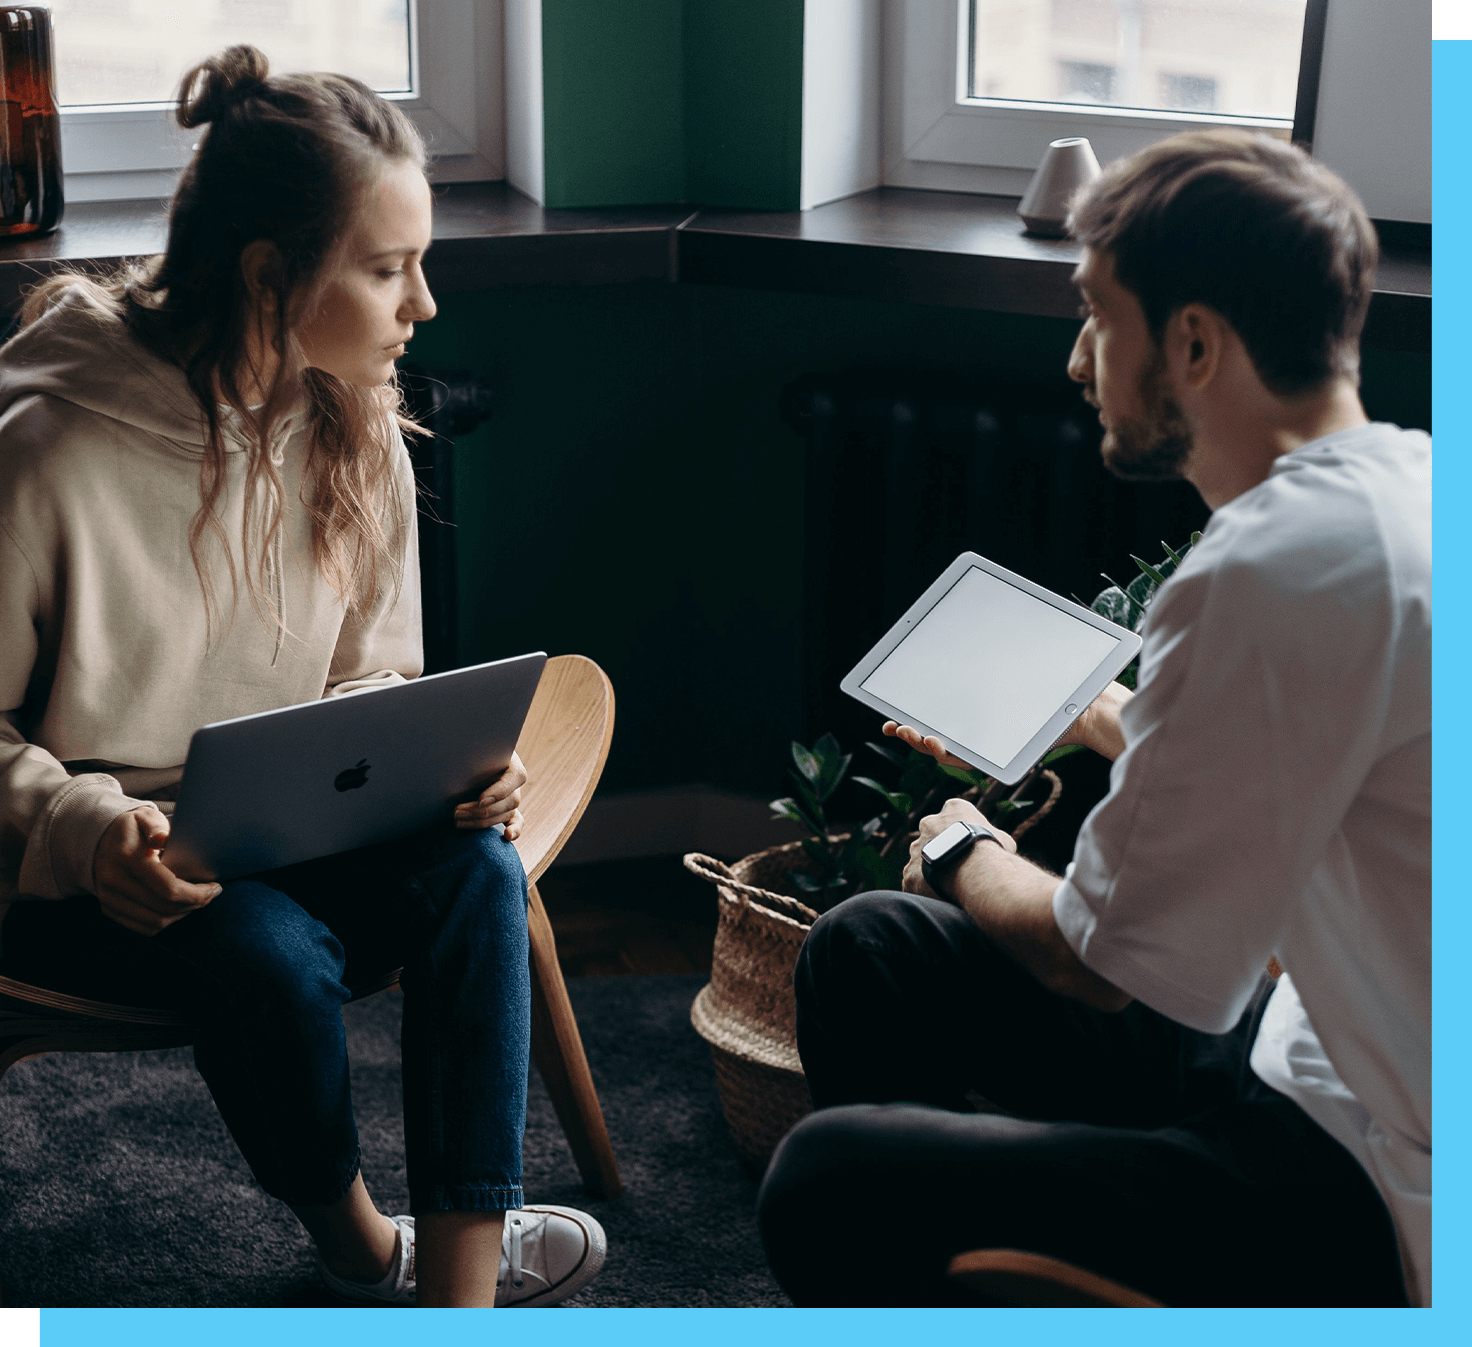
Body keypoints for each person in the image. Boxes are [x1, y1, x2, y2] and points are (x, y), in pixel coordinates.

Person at [757, 130, 1429, 1307]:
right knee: (868, 943)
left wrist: (963, 849)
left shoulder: (1269, 565)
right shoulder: (1400, 497)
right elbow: (1304, 758)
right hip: (1311, 1054)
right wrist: (1106, 715)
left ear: (1192, 341)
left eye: (1094, 317)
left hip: (1370, 1182)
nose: (1076, 363)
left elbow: (1093, 965)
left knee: (826, 1177)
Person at [0, 46, 605, 1308]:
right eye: (388, 269)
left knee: (471, 868)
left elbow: (370, 683)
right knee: (268, 955)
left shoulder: (357, 417)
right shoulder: (46, 450)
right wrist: (83, 826)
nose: (422, 305)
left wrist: (441, 769)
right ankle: (359, 1244)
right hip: (93, 874)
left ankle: (456, 1294)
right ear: (272, 276)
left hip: (289, 823)